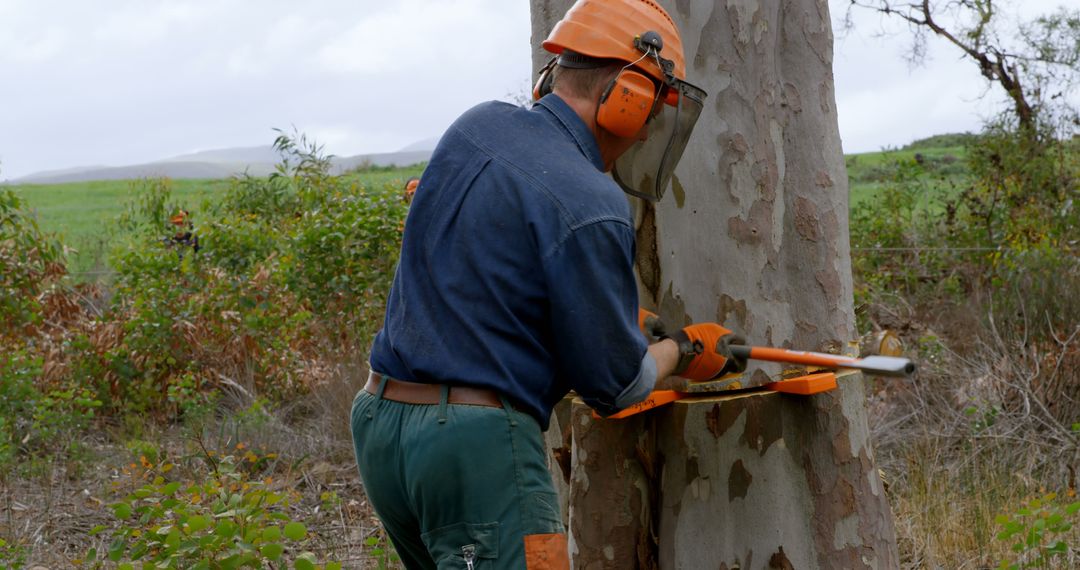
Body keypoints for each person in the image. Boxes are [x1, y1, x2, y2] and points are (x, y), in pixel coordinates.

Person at [351, 1, 744, 568]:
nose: (642, 135)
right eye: (651, 115)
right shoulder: (594, 202)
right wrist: (680, 350)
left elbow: (485, 271)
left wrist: (610, 318)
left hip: (382, 426)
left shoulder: (476, 126)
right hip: (474, 447)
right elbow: (618, 387)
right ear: (626, 100)